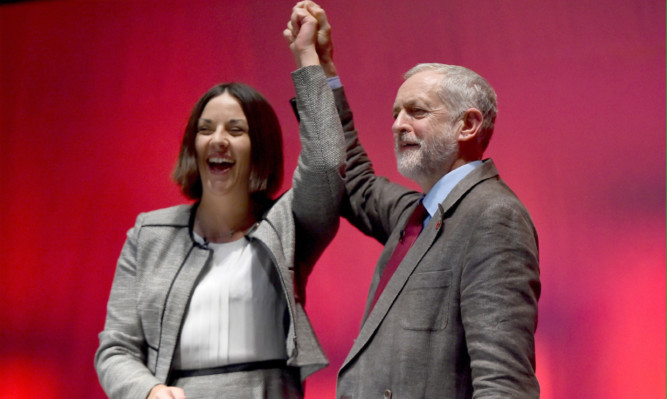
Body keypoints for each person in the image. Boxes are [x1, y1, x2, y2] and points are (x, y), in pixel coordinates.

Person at [285, 2, 541, 398]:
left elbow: (503, 382)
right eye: (395, 114)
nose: (398, 124)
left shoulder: (493, 215)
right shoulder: (416, 213)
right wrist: (320, 70)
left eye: (416, 111)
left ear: (467, 125)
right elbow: (352, 176)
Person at [95, 10, 345, 399]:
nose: (218, 140)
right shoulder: (148, 234)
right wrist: (147, 391)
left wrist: (308, 59)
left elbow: (328, 162)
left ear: (259, 147)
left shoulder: (289, 224)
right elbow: (116, 348)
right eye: (206, 129)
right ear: (193, 147)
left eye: (236, 129)